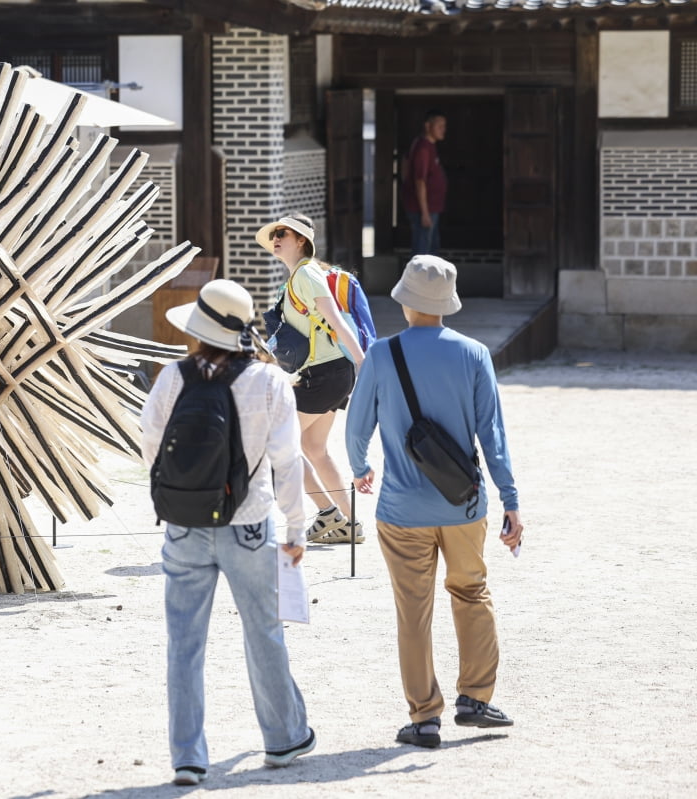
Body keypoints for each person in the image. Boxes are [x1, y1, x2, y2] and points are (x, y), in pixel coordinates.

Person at [344, 255, 524, 749]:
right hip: (464, 507)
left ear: (405, 302)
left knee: (413, 612)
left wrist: (360, 468)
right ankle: (476, 699)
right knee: (472, 593)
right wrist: (510, 498)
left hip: (401, 512)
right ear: (447, 304)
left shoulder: (381, 355)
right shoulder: (474, 354)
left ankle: (424, 718)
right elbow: (493, 436)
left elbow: (357, 426)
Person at [141, 279, 316, 786]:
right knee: (264, 630)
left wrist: (180, 493)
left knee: (184, 642)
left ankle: (188, 758)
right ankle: (283, 739)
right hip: (248, 522)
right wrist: (297, 526)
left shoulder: (173, 377)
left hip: (184, 525)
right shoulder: (269, 382)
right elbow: (287, 462)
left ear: (197, 329)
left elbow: (149, 440)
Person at [255, 215, 366, 545]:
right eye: (273, 234)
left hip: (325, 375)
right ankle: (350, 523)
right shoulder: (296, 278)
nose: (276, 238)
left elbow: (336, 322)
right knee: (314, 448)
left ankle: (328, 513)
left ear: (301, 240)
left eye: (282, 233)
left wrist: (366, 366)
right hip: (326, 374)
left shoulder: (306, 274)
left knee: (276, 443)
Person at [400, 110, 447, 256]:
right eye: (439, 125)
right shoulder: (423, 149)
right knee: (423, 251)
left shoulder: (428, 147)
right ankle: (420, 279)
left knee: (431, 249)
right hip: (423, 210)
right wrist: (425, 212)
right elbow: (420, 180)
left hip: (431, 207)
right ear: (428, 126)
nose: (443, 129)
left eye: (444, 126)